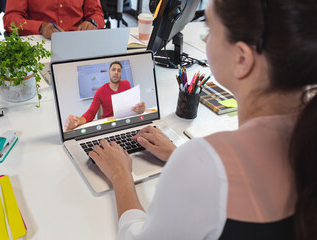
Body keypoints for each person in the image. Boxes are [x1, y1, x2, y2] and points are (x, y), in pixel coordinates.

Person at [88, 0, 317, 239]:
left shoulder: (204, 163)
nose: (205, 41)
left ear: (242, 59)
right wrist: (178, 155)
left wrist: (120, 176)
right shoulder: (307, 134)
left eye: (210, 30)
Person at [65, 61, 146, 130]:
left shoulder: (126, 84)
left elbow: (133, 105)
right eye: (113, 70)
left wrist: (139, 108)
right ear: (109, 73)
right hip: (108, 126)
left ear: (121, 74)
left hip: (125, 123)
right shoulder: (100, 91)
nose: (116, 72)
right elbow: (91, 113)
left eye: (119, 70)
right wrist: (78, 121)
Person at [3, 0, 105, 39]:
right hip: (40, 44)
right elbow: (10, 19)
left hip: (77, 42)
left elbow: (96, 14)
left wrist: (92, 23)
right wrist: (40, 27)